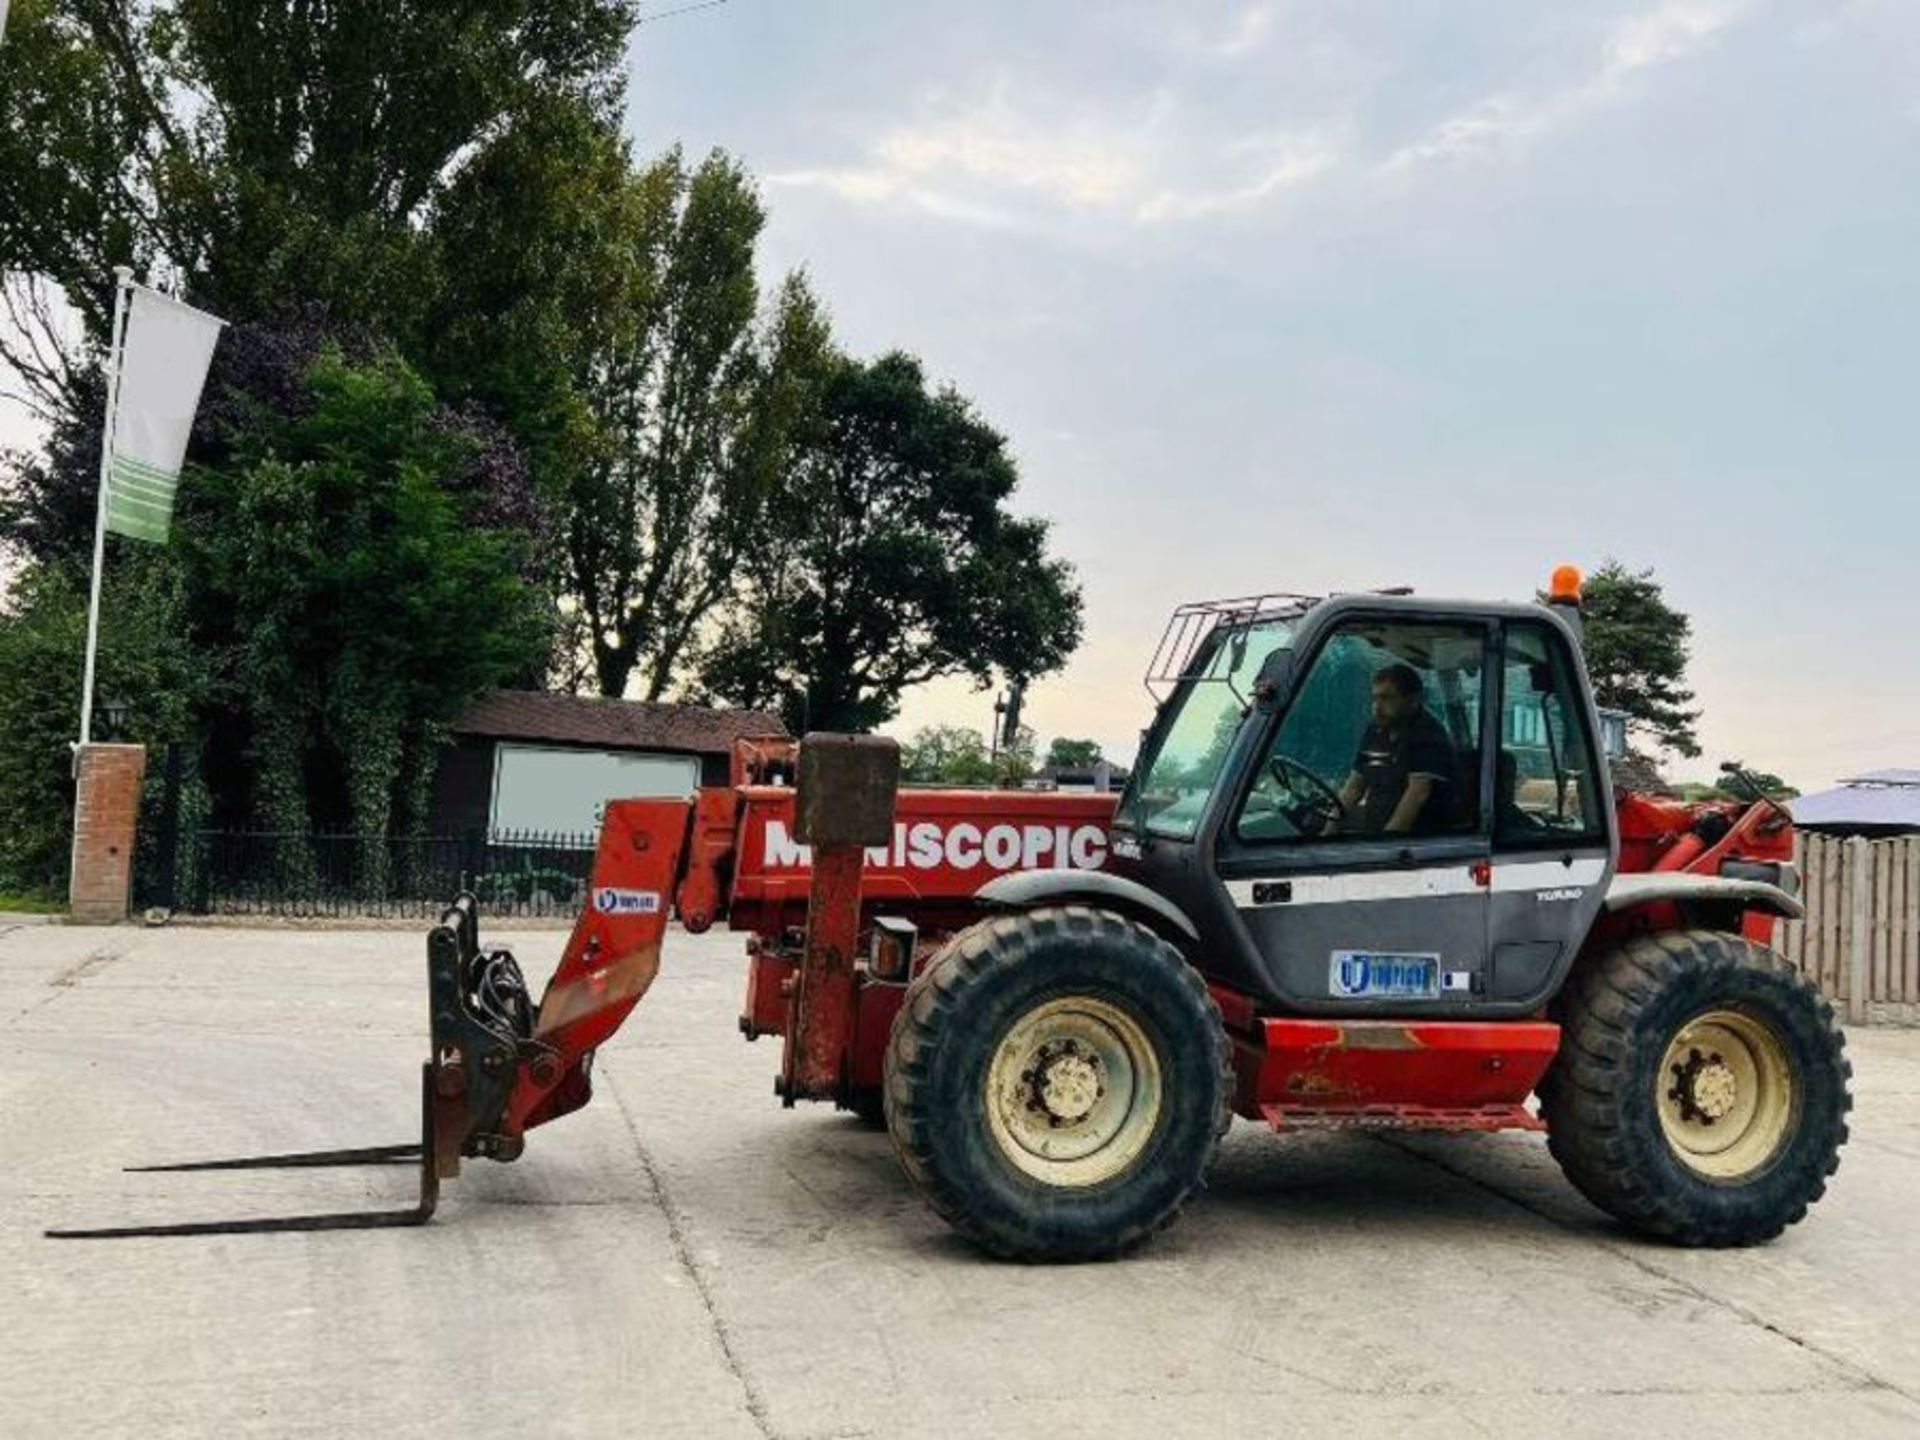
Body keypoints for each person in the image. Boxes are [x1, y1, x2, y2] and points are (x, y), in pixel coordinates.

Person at [1332, 663, 1457, 834]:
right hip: (1379, 835)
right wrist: (1325, 832)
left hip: (1414, 846)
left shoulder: (1428, 735)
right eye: (1374, 698)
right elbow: (1353, 788)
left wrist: (1385, 845)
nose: (1377, 706)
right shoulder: (1375, 731)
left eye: (1386, 698)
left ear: (1413, 700)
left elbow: (1417, 795)